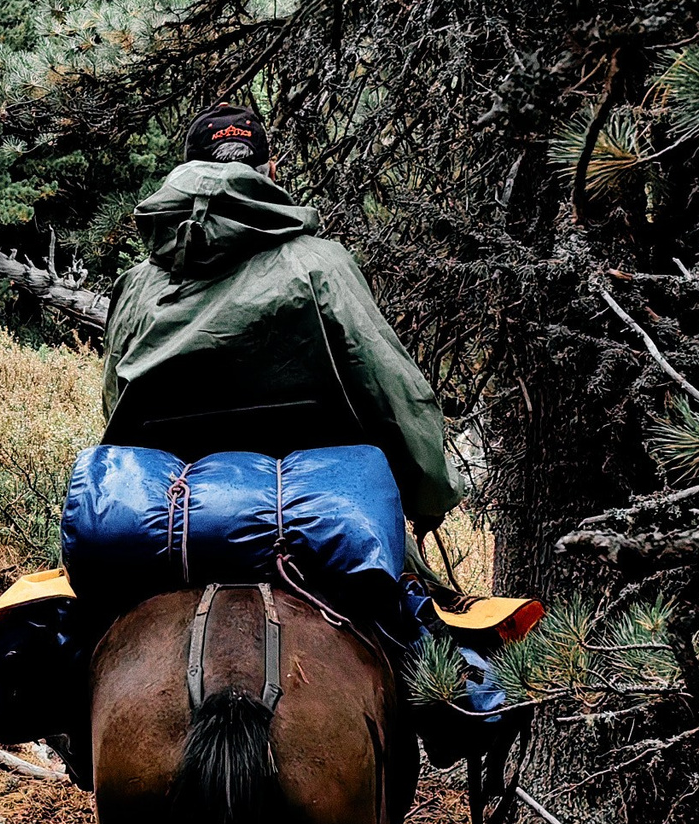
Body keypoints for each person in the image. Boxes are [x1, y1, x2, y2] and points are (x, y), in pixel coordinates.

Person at [101, 103, 460, 531]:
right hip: (320, 520)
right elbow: (390, 389)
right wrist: (429, 496)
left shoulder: (135, 286)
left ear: (186, 177)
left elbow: (115, 409)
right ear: (270, 171)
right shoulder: (320, 265)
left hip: (167, 521)